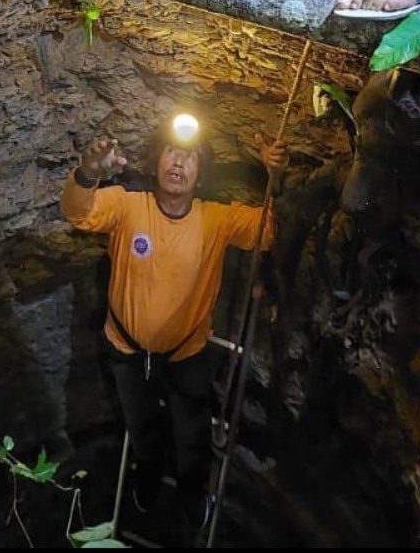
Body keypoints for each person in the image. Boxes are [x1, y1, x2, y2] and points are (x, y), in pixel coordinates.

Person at [59, 126, 287, 533]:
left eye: (189, 156)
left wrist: (275, 177)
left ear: (199, 175)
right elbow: (78, 212)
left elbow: (268, 232)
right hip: (126, 349)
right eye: (170, 152)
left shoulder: (215, 219)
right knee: (142, 425)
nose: (177, 162)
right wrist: (87, 172)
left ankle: (191, 491)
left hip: (187, 353)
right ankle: (147, 473)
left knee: (191, 432)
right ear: (155, 163)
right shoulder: (129, 206)